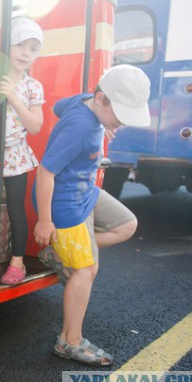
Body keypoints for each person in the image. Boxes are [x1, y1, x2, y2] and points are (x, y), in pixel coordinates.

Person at [33, 64, 151, 366]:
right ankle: (69, 342)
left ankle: (61, 250)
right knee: (86, 270)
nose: (121, 124)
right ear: (100, 99)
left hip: (86, 192)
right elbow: (45, 172)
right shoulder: (81, 129)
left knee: (127, 224)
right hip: (66, 203)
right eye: (119, 116)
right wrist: (45, 221)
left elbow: (60, 106)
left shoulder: (84, 103)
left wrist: (104, 122)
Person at [0, 17, 45, 285]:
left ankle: (17, 263)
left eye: (33, 48)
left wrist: (13, 96)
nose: (26, 53)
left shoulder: (32, 86)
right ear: (8, 45)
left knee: (16, 209)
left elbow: (36, 126)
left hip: (15, 155)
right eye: (20, 45)